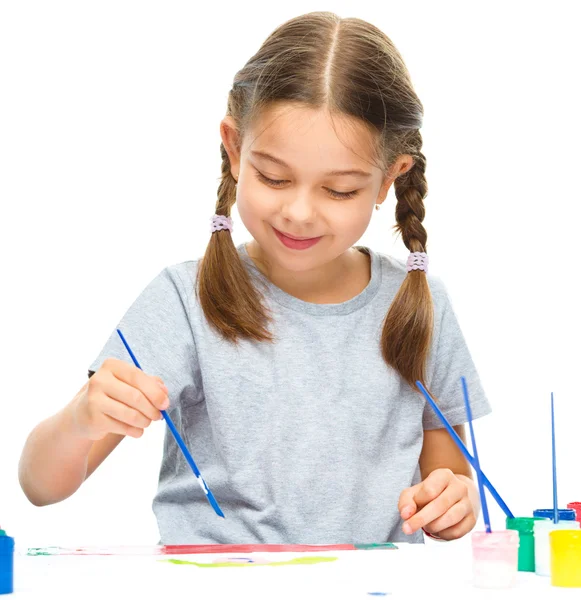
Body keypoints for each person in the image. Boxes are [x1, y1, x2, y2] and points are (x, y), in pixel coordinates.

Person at [19, 11, 490, 544]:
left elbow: (448, 484)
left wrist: (455, 500)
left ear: (390, 178)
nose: (299, 212)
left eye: (339, 190)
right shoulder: (185, 300)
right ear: (234, 148)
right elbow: (40, 484)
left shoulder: (419, 305)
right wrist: (83, 417)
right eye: (274, 177)